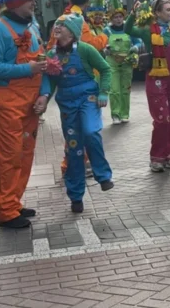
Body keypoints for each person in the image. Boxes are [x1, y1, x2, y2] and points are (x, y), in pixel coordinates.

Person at [0, 0, 64, 228]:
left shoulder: (32, 27)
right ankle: (5, 211)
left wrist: (44, 95)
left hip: (30, 104)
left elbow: (43, 62)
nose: (33, 2)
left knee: (25, 154)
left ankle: (13, 202)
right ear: (15, 0)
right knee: (8, 157)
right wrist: (27, 69)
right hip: (6, 104)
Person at [36, 14, 114, 213]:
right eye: (56, 24)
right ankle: (76, 196)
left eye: (62, 25)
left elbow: (105, 69)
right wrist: (44, 97)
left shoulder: (86, 49)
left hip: (88, 99)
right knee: (74, 149)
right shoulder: (51, 53)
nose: (57, 27)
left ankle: (103, 175)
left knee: (90, 132)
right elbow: (49, 80)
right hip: (67, 104)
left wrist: (103, 92)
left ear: (72, 32)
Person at [125, 0, 170, 172]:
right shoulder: (148, 30)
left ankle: (167, 156)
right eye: (167, 10)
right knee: (162, 119)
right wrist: (133, 14)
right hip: (156, 79)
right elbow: (128, 29)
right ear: (157, 13)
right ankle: (156, 157)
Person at [103, 0, 142, 124]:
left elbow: (139, 42)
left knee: (126, 89)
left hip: (127, 62)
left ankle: (125, 114)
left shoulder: (128, 28)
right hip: (112, 62)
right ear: (111, 18)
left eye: (120, 17)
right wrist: (105, 50)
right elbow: (101, 44)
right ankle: (115, 114)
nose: (118, 19)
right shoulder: (107, 31)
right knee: (114, 90)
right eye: (115, 17)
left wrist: (135, 47)